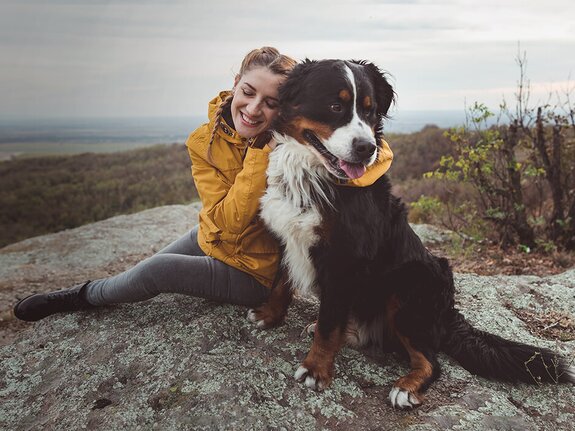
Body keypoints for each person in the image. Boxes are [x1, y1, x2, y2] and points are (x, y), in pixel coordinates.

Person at [13, 47, 394, 322]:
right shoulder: (204, 140)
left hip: (258, 271)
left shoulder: (298, 143)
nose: (254, 108)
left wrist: (268, 151)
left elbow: (372, 155)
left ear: (289, 106)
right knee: (150, 263)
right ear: (235, 84)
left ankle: (80, 298)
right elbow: (223, 221)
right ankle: (97, 289)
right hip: (221, 236)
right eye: (248, 91)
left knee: (156, 272)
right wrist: (262, 153)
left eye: (271, 101)